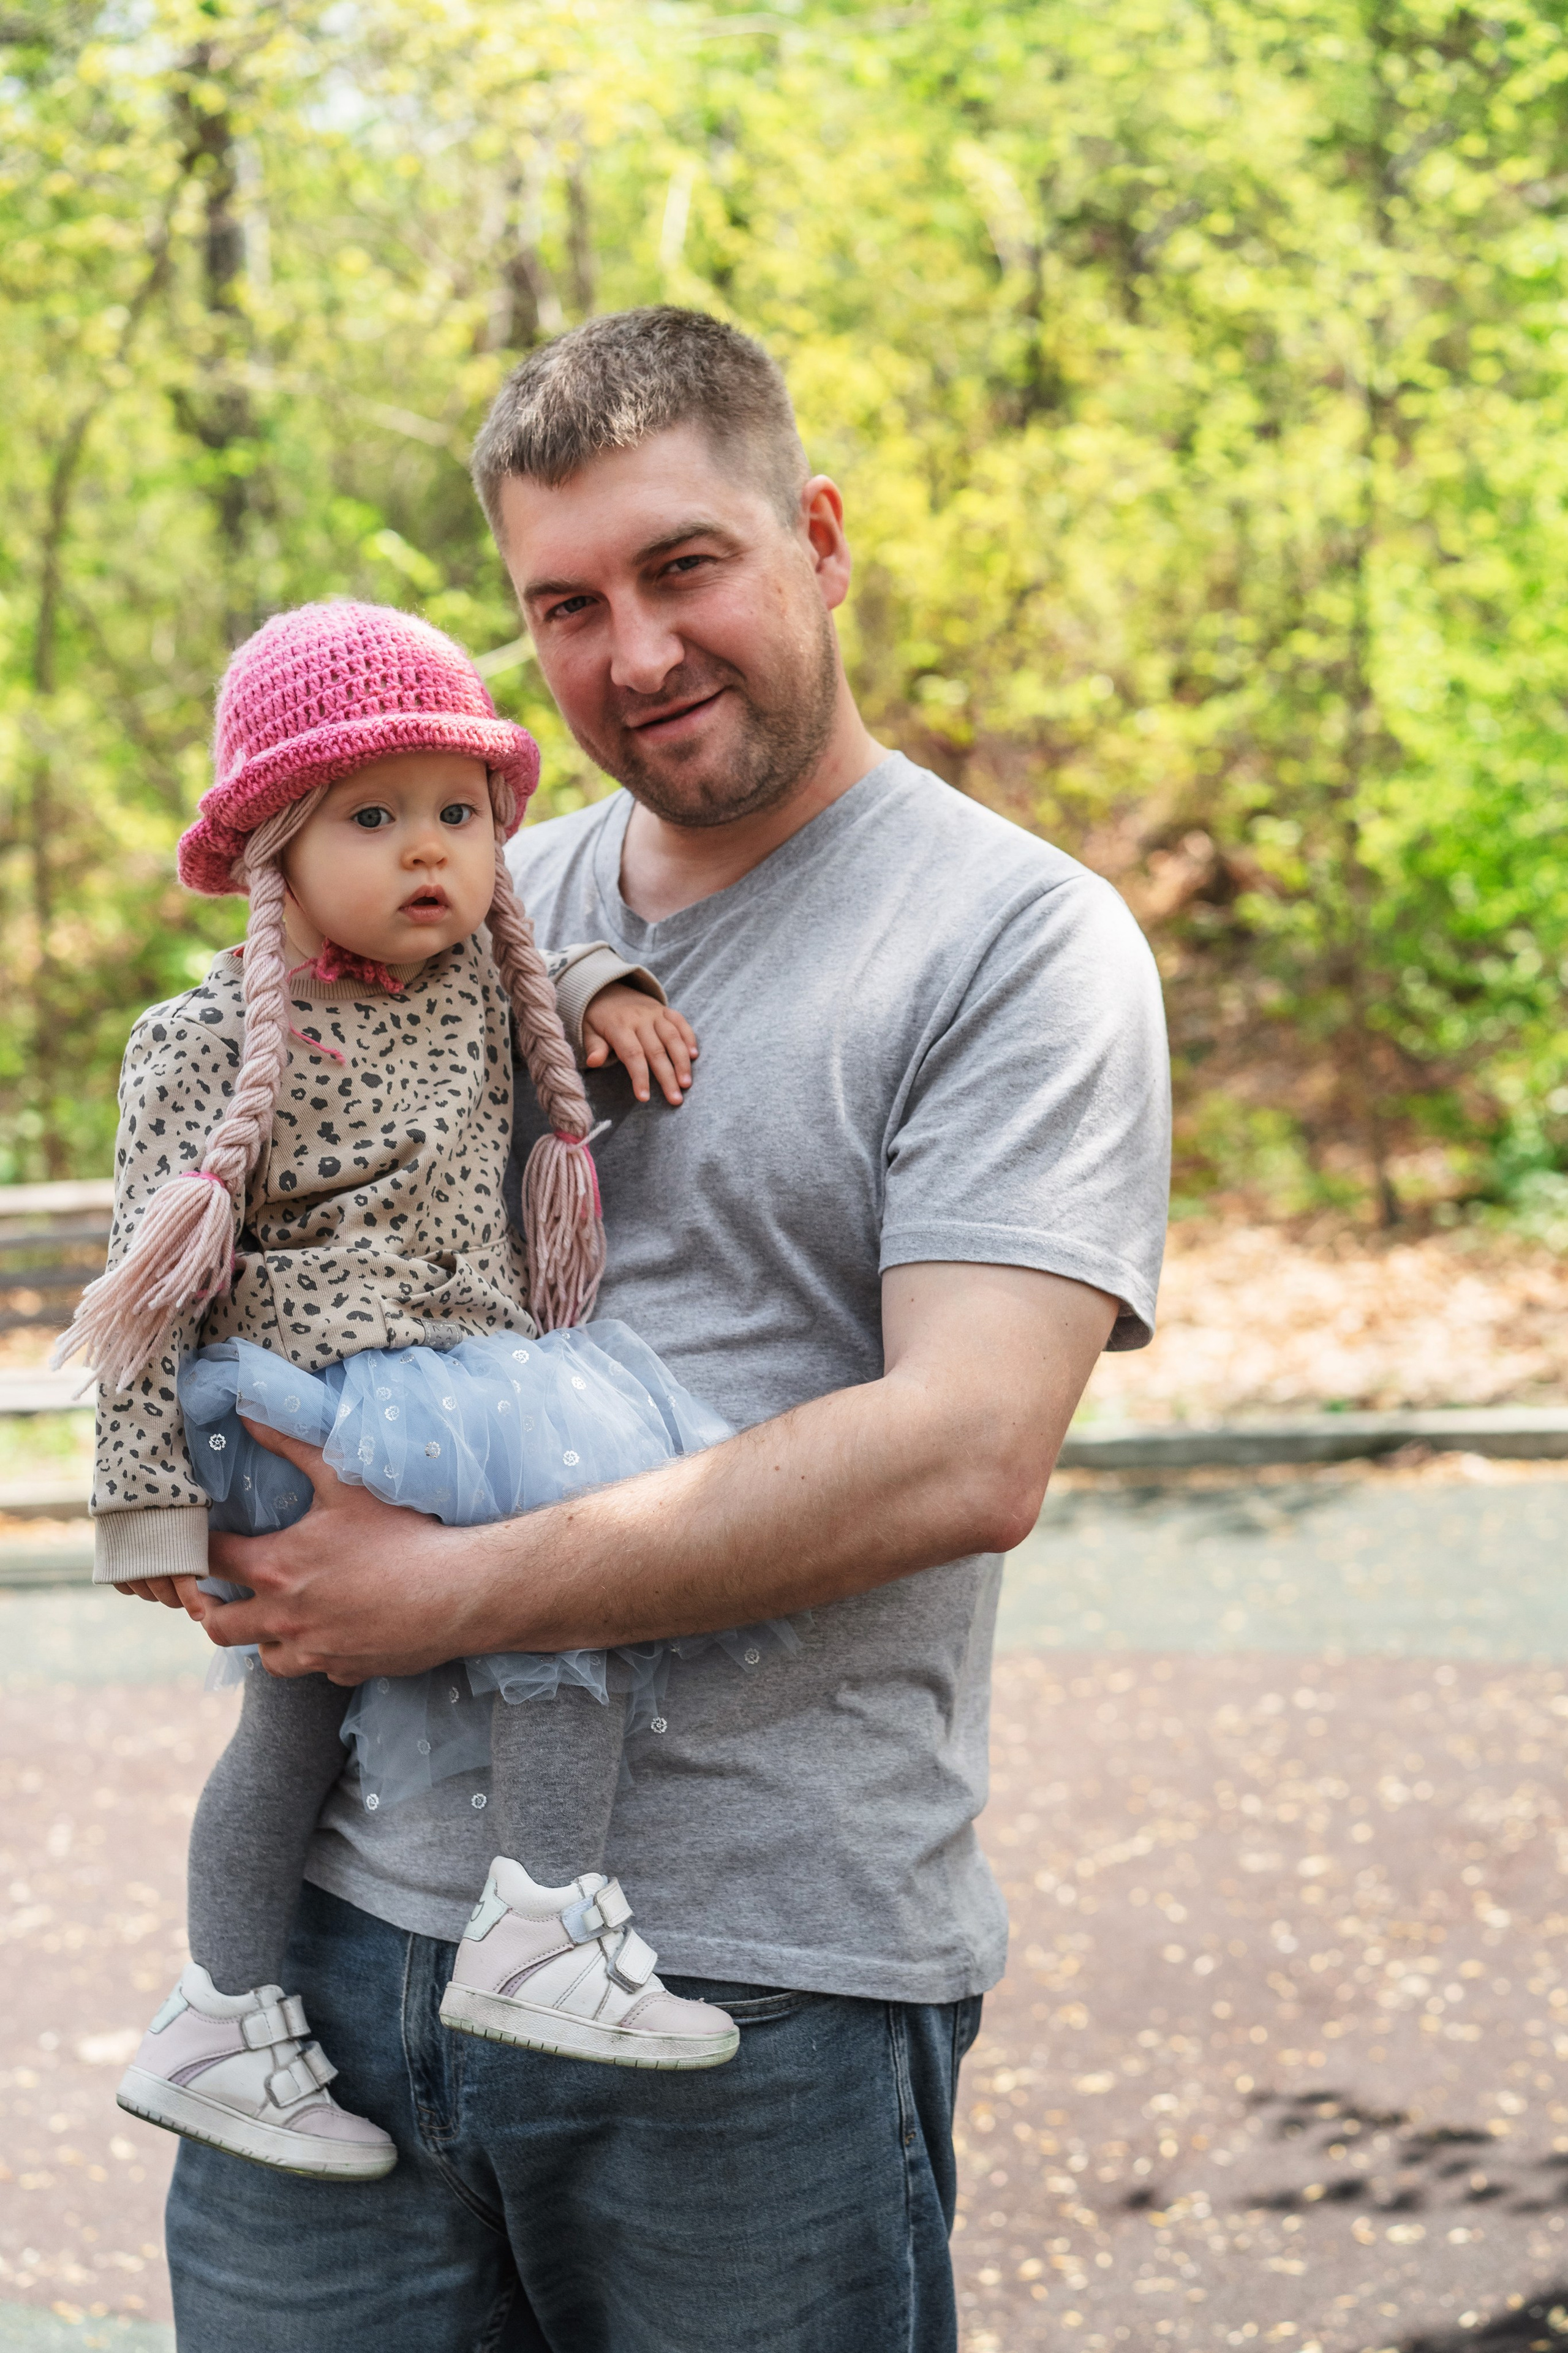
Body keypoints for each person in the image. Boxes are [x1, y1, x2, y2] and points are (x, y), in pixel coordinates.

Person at [165, 308, 1170, 2351]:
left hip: (755, 1984)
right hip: (342, 1960)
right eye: (566, 602)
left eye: (685, 567)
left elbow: (969, 1449)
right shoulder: (458, 880)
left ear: (815, 535)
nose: (635, 651)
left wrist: (436, 1592)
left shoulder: (1016, 941)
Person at [80, 599, 796, 2186]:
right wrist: (142, 1500)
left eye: (461, 814)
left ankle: (274, 1993)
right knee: (524, 1600)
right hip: (286, 1407)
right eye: (376, 815)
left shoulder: (481, 981)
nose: (434, 852)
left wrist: (603, 986)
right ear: (275, 839)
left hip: (454, 1381)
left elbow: (539, 940)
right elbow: (142, 1287)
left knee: (398, 1668)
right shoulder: (204, 1043)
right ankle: (503, 1925)